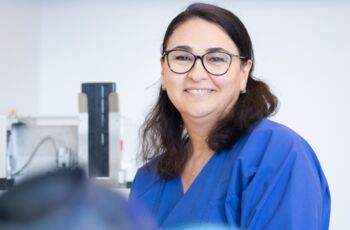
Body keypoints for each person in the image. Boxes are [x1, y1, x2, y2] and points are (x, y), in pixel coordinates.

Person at [129, 3, 331, 230]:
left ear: (244, 72)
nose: (197, 74)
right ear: (164, 71)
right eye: (182, 57)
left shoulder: (278, 154)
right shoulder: (148, 179)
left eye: (216, 59)